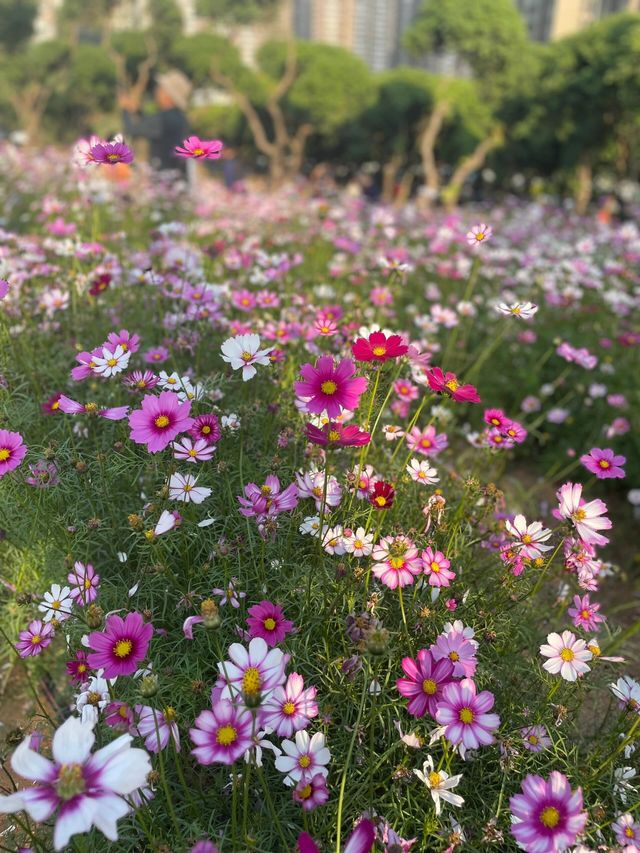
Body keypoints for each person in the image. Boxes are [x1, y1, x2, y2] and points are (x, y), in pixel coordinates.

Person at [119, 70, 192, 176]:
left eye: (160, 89)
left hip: (165, 177)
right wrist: (137, 111)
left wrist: (125, 110)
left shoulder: (164, 119)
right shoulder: (179, 117)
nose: (156, 91)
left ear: (168, 95)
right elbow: (150, 124)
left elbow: (132, 129)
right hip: (177, 173)